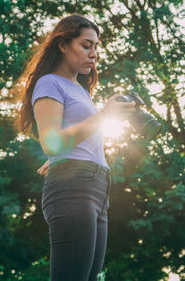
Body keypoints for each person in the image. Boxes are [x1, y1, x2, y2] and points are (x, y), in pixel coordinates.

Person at [15, 14, 135, 281]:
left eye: (96, 47)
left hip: (97, 187)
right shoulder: (49, 83)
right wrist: (104, 115)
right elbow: (50, 141)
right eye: (86, 45)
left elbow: (68, 141)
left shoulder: (80, 90)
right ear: (63, 45)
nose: (94, 54)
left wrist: (57, 158)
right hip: (75, 187)